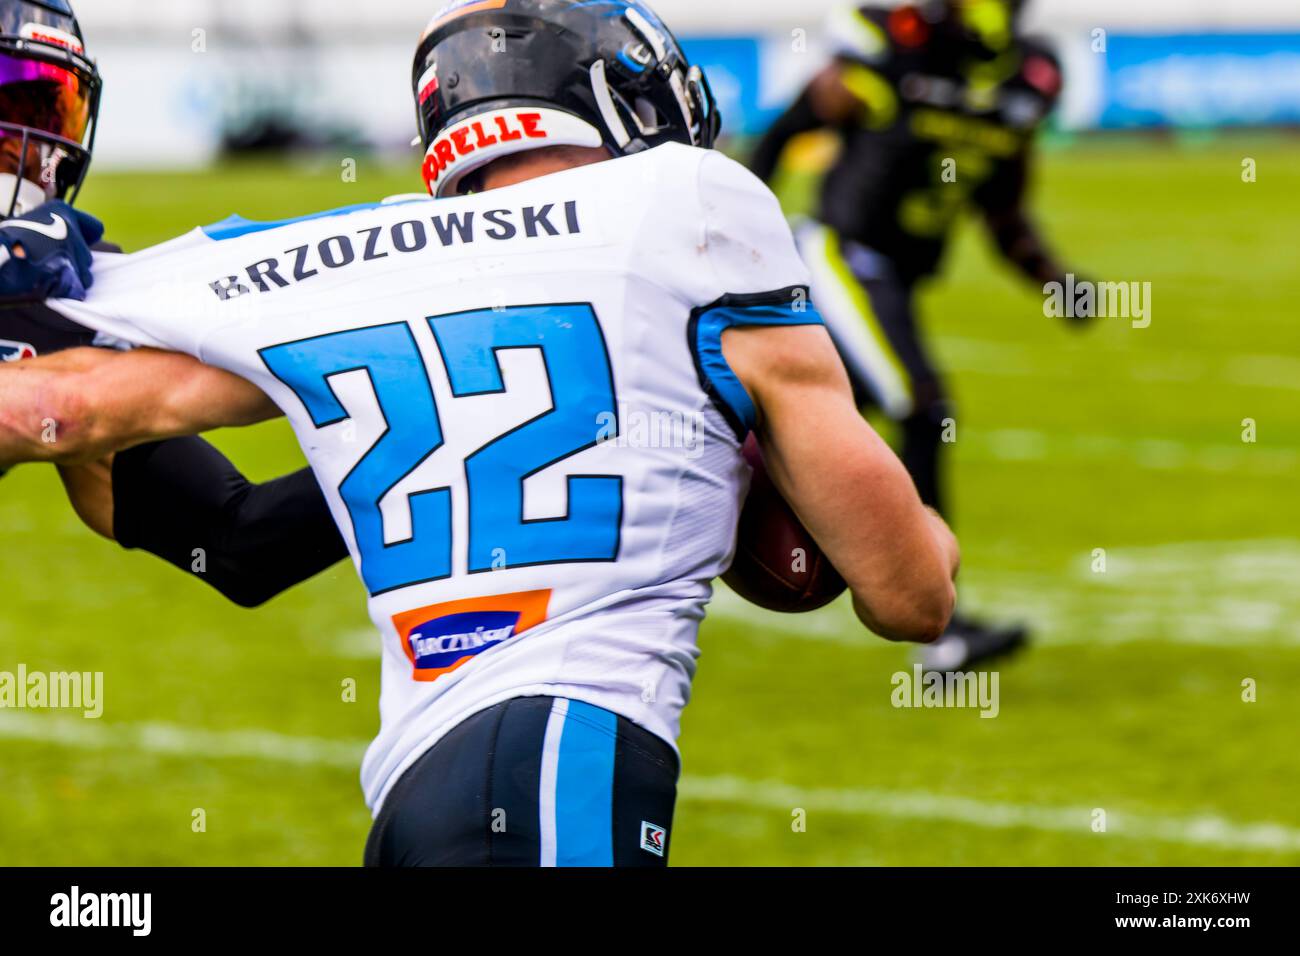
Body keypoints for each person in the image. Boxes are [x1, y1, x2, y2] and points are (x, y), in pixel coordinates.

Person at [0, 0, 959, 867]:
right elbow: (912, 592)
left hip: (420, 786)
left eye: (46, 114)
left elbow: (93, 429)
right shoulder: (687, 204)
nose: (32, 150)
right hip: (555, 758)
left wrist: (427, 412)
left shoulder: (363, 254)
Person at [751, 0, 1085, 671]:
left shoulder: (1028, 78)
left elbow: (1002, 210)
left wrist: (1056, 280)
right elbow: (791, 127)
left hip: (894, 279)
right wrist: (732, 238)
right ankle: (940, 626)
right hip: (839, 256)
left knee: (800, 429)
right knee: (923, 408)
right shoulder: (895, 43)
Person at [0, 0, 349, 606]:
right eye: (6, 115)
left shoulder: (47, 307)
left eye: (50, 114)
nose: (29, 155)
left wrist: (410, 444)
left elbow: (237, 541)